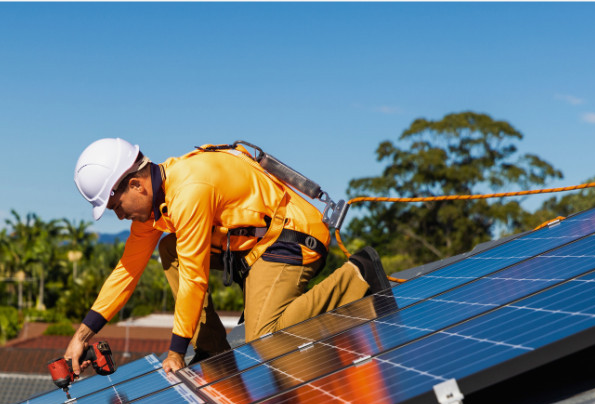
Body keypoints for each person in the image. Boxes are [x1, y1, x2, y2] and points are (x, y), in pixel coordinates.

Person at [64, 138, 390, 375]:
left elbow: (194, 276)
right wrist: (82, 336)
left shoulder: (189, 189)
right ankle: (212, 349)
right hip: (254, 249)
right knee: (169, 248)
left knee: (265, 336)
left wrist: (177, 351)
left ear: (136, 185)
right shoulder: (156, 208)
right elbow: (127, 271)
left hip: (291, 236)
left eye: (116, 206)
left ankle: (357, 275)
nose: (120, 217)